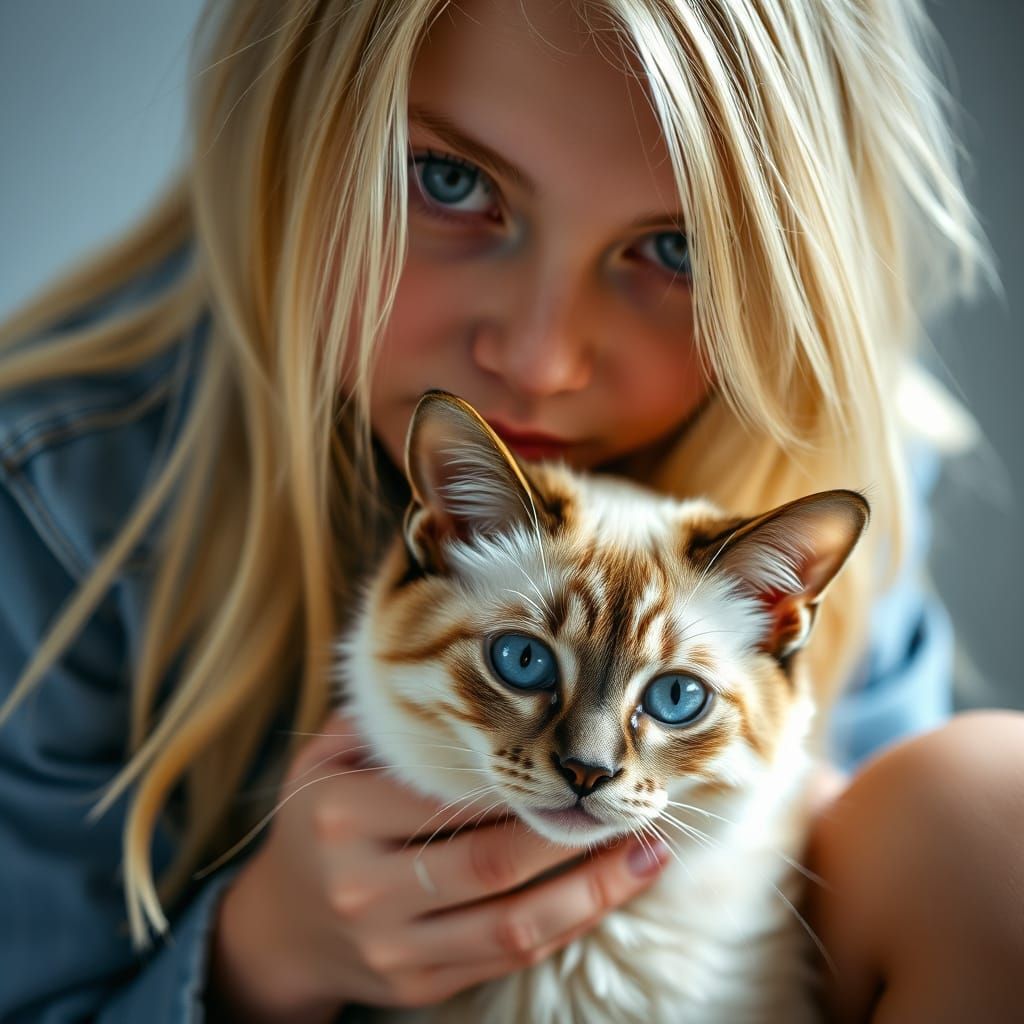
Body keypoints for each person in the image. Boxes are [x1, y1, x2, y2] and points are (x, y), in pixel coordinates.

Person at [0, 1, 1020, 1021]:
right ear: (294, 141)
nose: (538, 360)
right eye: (452, 183)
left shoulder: (841, 454)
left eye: (677, 249)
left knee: (990, 810)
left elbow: (912, 877)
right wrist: (261, 958)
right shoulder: (54, 506)